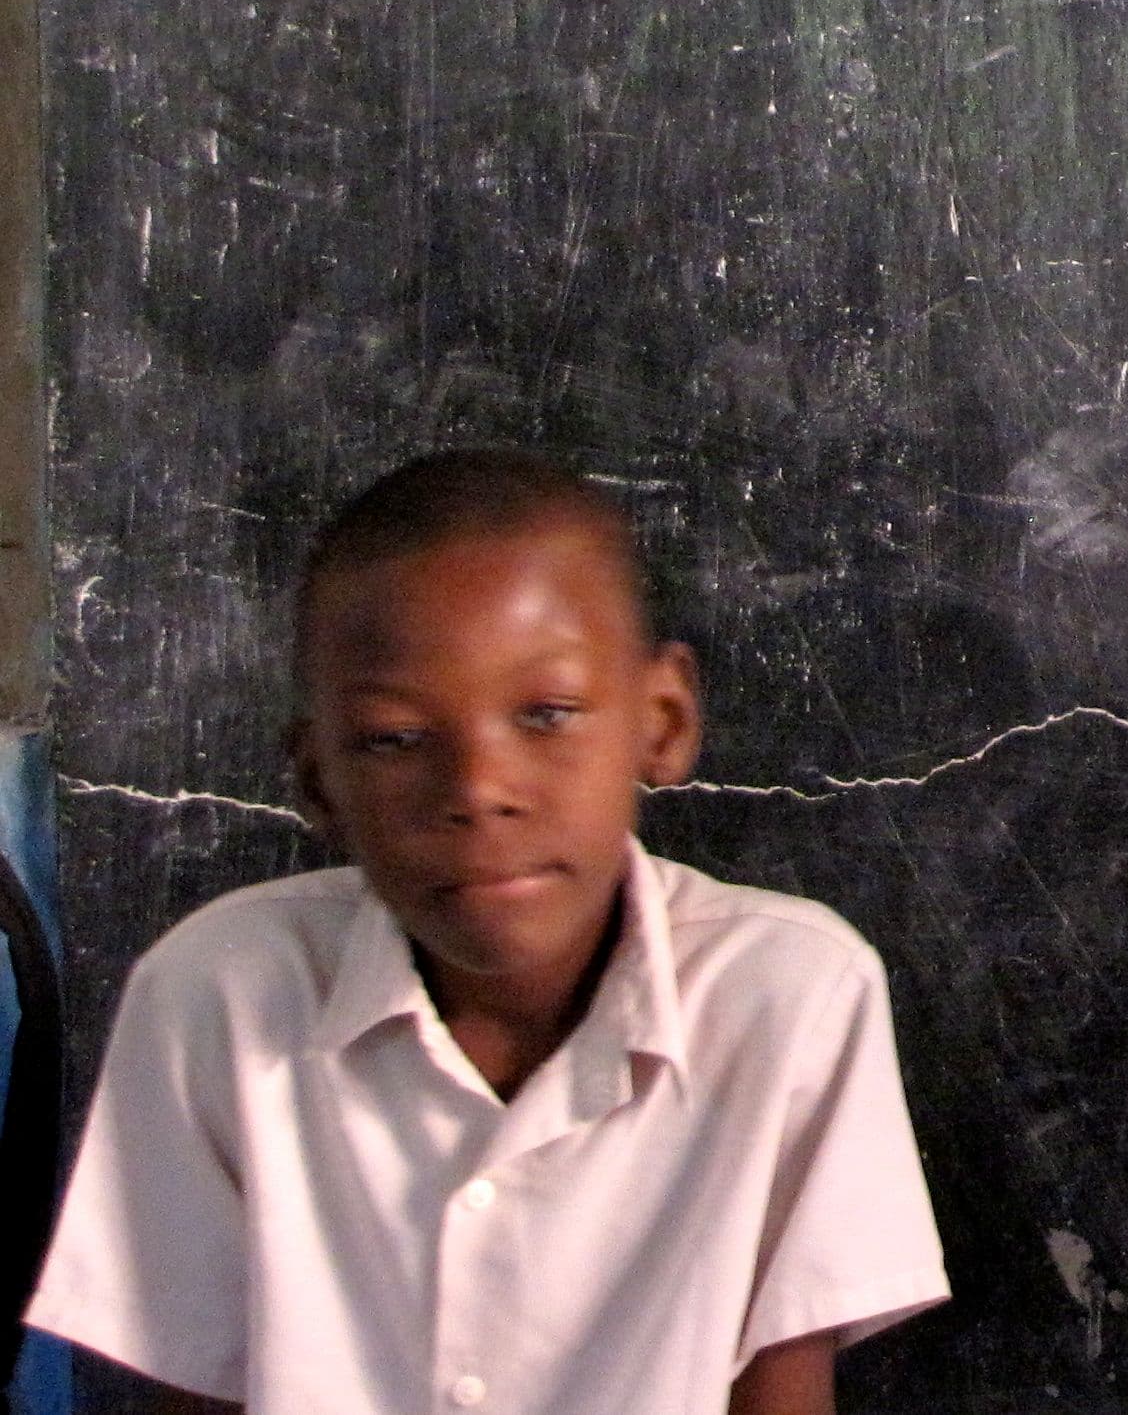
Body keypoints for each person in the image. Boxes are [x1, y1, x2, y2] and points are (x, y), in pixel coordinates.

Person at [28, 451, 950, 1415]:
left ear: (663, 720)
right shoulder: (215, 995)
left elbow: (784, 1395)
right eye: (394, 737)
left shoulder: (789, 995)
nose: (477, 789)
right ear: (315, 780)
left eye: (546, 715)